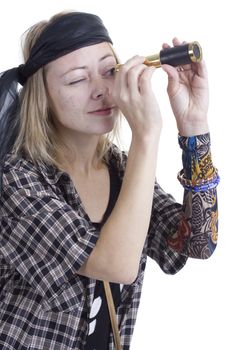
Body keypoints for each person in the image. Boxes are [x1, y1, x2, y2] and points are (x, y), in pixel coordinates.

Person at [0, 10, 219, 350]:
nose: (101, 90)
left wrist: (194, 128)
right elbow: (114, 265)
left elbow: (197, 242)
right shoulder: (18, 178)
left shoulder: (121, 168)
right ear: (42, 98)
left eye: (109, 71)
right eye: (76, 79)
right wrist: (146, 135)